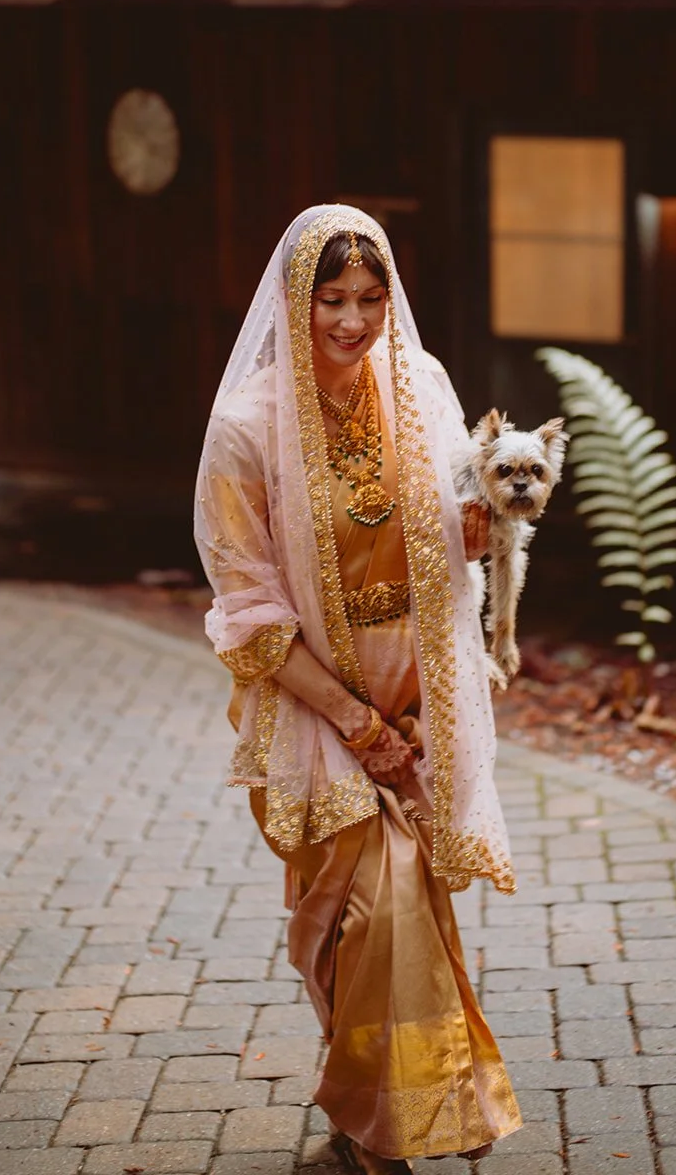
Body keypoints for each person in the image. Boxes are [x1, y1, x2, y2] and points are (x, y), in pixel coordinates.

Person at [194, 204, 521, 1175]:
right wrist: (353, 719)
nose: (351, 319)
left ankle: (379, 1118)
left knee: (401, 906)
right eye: (331, 299)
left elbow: (458, 524)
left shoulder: (420, 385)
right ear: (296, 301)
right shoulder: (246, 425)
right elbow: (243, 603)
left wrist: (466, 541)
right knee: (350, 915)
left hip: (421, 692)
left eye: (371, 298)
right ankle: (376, 1112)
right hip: (308, 700)